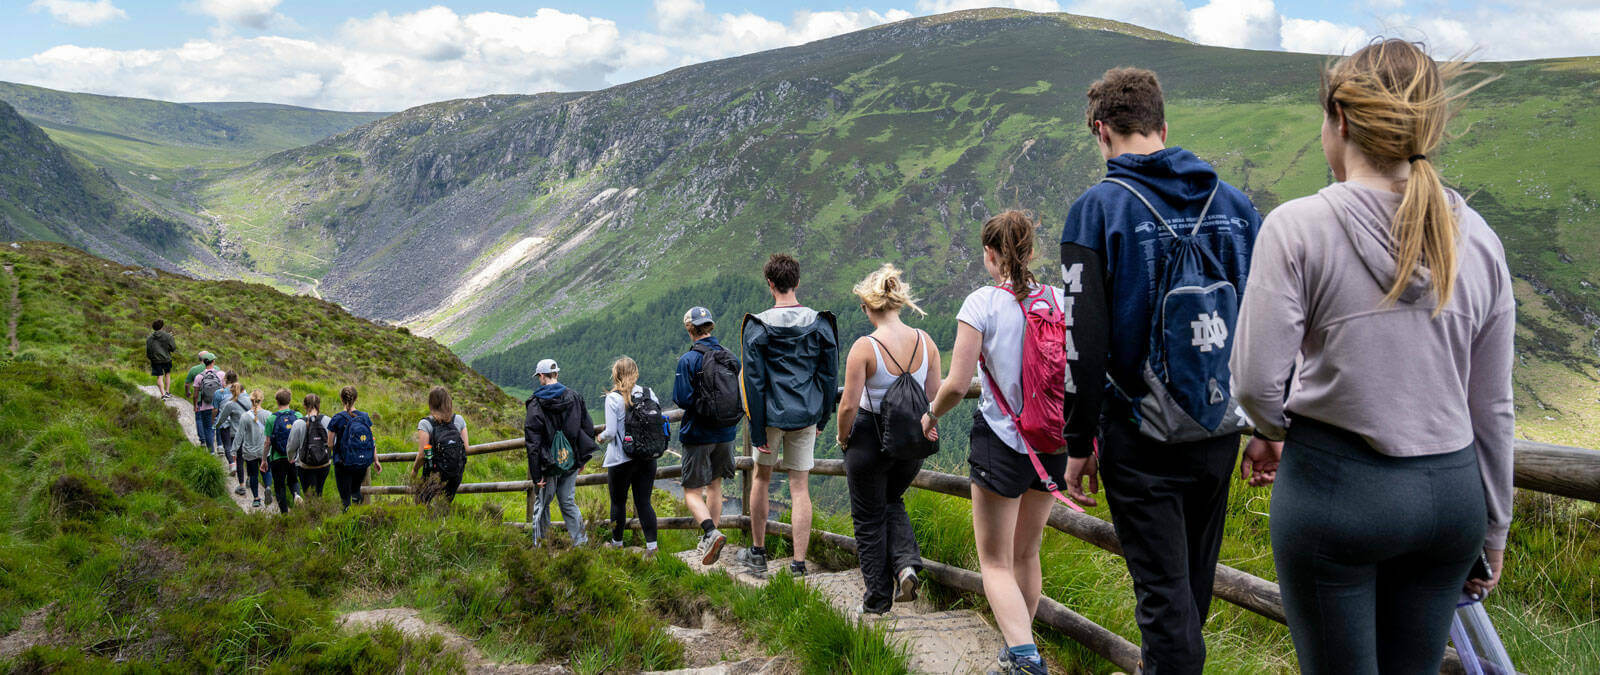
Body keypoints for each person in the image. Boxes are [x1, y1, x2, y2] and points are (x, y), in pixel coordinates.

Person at [1231, 40, 1512, 675]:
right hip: (1452, 500)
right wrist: (1492, 527)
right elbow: (1491, 405)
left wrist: (1273, 431)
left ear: (1341, 118)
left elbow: (1252, 382)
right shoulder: (1480, 240)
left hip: (1338, 490)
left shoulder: (1298, 227)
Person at [1057, 67, 1271, 675]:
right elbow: (1266, 322)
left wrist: (1079, 442)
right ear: (1163, 126)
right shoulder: (1235, 207)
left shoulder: (1096, 212)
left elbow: (1083, 340)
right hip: (1218, 426)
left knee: (1163, 600)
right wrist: (1266, 423)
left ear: (1102, 131)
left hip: (1138, 434)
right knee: (1188, 596)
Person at [919, 211, 1065, 675]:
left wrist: (931, 415)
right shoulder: (1061, 300)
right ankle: (1020, 645)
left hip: (1001, 440)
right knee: (1027, 552)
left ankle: (1024, 658)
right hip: (1052, 442)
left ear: (991, 253)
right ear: (1031, 250)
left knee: (995, 561)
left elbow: (958, 383)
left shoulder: (981, 303)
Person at [836, 264, 941, 615]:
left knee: (867, 519)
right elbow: (934, 396)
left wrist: (842, 437)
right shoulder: (926, 342)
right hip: (911, 441)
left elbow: (849, 404)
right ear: (898, 302)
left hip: (869, 438)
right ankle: (906, 565)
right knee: (892, 499)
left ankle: (877, 600)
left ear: (869, 307)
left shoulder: (865, 348)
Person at [738, 254, 838, 578]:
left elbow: (753, 381)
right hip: (806, 413)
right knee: (799, 488)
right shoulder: (819, 323)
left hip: (768, 417)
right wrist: (823, 417)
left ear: (770, 284)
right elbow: (829, 374)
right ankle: (798, 564)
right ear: (797, 282)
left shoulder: (757, 325)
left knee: (761, 480)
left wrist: (755, 430)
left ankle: (758, 554)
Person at [673, 306, 741, 564]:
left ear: (689, 329)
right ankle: (711, 539)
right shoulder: (729, 356)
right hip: (726, 433)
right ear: (711, 326)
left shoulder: (688, 360)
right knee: (715, 486)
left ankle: (711, 533)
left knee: (691, 491)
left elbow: (682, 398)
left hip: (699, 434)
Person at [523, 359, 597, 546]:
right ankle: (581, 543)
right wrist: (582, 460)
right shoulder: (574, 397)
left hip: (548, 464)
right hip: (570, 461)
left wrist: (536, 473)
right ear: (556, 374)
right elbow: (587, 429)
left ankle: (540, 545)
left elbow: (533, 442)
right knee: (567, 501)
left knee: (543, 503)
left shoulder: (535, 403)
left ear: (541, 376)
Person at [596, 356, 662, 553]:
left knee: (618, 502)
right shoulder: (650, 394)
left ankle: (617, 544)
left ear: (615, 375)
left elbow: (610, 432)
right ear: (636, 373)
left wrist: (599, 438)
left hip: (621, 458)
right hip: (647, 458)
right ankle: (652, 547)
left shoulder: (613, 398)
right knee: (644, 502)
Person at [412, 387, 469, 504]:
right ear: (448, 401)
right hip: (455, 474)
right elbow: (466, 448)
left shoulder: (425, 423)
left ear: (431, 403)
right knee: (444, 506)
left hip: (433, 474)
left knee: (422, 505)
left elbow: (422, 454)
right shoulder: (459, 420)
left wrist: (415, 469)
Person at [328, 386, 382, 511]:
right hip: (361, 463)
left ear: (341, 399)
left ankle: (348, 522)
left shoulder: (337, 418)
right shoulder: (364, 417)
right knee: (356, 491)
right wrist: (376, 460)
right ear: (356, 399)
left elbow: (330, 444)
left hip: (342, 463)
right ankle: (358, 517)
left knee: (345, 499)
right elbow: (371, 441)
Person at [222, 387, 268, 509]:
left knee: (253, 475)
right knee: (265, 471)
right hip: (264, 450)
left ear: (251, 400)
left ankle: (256, 499)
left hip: (250, 451)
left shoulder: (245, 416)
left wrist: (233, 450)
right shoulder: (268, 415)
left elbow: (239, 435)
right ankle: (268, 487)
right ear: (261, 400)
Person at [263, 388, 303, 513]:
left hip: (277, 457)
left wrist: (264, 459)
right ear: (289, 400)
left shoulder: (272, 418)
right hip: (294, 457)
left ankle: (284, 514)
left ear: (277, 401)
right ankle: (296, 494)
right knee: (293, 480)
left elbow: (268, 442)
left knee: (279, 486)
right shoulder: (298, 416)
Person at [288, 393, 333, 498]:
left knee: (308, 494)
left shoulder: (298, 423)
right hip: (324, 463)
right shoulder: (328, 420)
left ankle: (311, 512)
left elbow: (291, 446)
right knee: (319, 491)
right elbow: (333, 442)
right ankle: (320, 510)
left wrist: (291, 458)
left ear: (304, 406)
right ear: (319, 405)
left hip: (305, 465)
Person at [211, 371, 245, 495]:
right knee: (239, 449)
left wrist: (214, 422)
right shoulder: (242, 391)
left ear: (225, 379)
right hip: (238, 423)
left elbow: (215, 409)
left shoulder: (219, 393)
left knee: (227, 445)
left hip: (225, 422)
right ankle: (243, 472)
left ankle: (232, 464)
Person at [189, 352, 224, 456]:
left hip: (205, 406)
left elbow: (195, 395)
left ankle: (211, 452)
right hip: (219, 406)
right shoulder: (221, 374)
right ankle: (220, 446)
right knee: (218, 426)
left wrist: (195, 405)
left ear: (204, 362)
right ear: (213, 361)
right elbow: (225, 389)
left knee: (208, 429)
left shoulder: (199, 377)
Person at [144, 320, 175, 399]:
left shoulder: (149, 338)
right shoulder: (168, 336)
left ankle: (163, 395)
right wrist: (170, 338)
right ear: (162, 326)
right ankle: (167, 392)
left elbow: (148, 350)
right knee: (167, 374)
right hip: (166, 359)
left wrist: (151, 358)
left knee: (159, 377)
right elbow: (173, 348)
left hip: (155, 360)